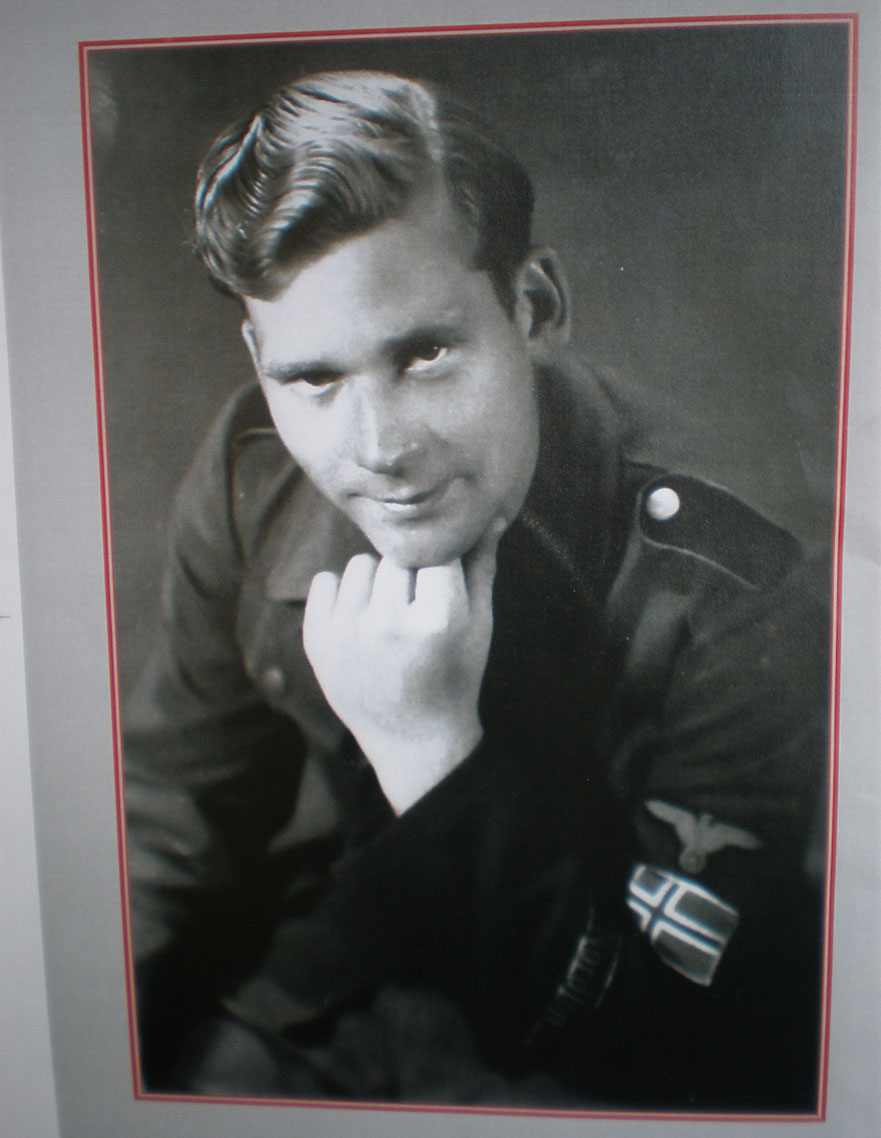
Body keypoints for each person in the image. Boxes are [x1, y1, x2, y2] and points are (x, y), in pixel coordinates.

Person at [123, 69, 829, 1111]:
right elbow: (171, 833)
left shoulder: (737, 590)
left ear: (534, 307)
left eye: (425, 353)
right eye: (312, 378)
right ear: (257, 358)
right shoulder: (250, 478)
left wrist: (429, 754)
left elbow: (687, 1049)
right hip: (338, 996)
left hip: (574, 1055)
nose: (378, 448)